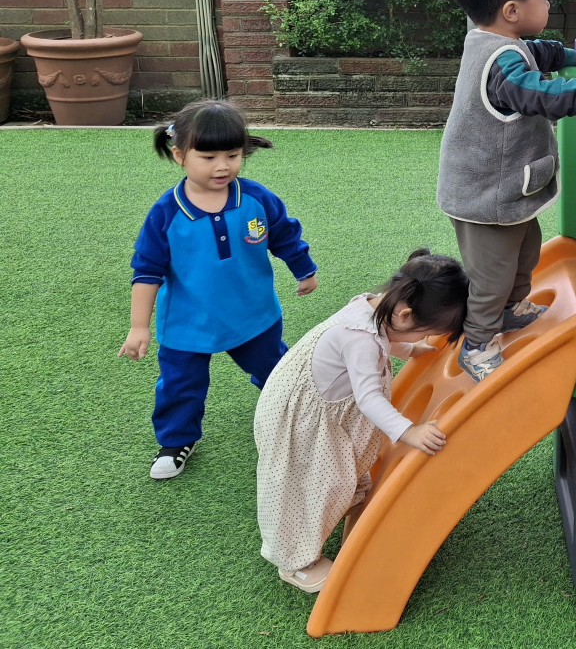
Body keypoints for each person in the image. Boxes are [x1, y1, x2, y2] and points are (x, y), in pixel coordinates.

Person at [437, 0, 576, 383]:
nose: (549, 2)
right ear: (513, 10)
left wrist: (566, 55)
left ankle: (511, 309)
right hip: (484, 195)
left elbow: (535, 53)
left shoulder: (495, 42)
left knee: (526, 251)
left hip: (504, 190)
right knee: (491, 276)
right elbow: (529, 89)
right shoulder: (501, 62)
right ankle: (477, 344)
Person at [120, 100, 318, 481]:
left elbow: (284, 234)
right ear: (180, 156)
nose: (222, 166)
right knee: (180, 386)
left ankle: (297, 418)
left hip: (253, 316)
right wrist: (139, 326)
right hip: (188, 325)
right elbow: (147, 271)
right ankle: (177, 441)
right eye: (208, 157)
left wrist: (304, 270)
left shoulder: (256, 198)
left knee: (277, 370)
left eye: (232, 155)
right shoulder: (166, 213)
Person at [254, 249, 468, 593]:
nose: (421, 339)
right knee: (305, 483)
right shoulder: (360, 339)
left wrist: (410, 349)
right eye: (423, 333)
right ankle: (294, 561)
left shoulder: (375, 307)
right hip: (303, 417)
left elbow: (387, 338)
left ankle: (345, 497)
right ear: (406, 315)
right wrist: (408, 431)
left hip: (317, 403)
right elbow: (369, 398)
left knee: (337, 466)